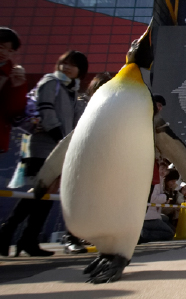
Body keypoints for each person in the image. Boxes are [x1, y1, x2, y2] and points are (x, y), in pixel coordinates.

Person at [0, 50, 89, 257]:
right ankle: (7, 233)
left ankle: (28, 239)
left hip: (59, 149)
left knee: (47, 195)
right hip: (42, 147)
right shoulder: (51, 82)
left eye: (72, 65)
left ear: (80, 71)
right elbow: (46, 110)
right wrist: (59, 136)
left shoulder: (72, 91)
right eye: (64, 63)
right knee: (37, 192)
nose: (67, 67)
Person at [62, 72, 112, 254]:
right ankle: (70, 237)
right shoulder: (82, 104)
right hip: (78, 156)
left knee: (93, 199)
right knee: (76, 197)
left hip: (99, 159)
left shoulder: (112, 110)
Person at [0, 28, 27, 155]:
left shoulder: (12, 74)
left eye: (10, 50)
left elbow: (14, 112)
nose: (4, 53)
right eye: (1, 47)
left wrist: (18, 87)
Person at [139, 161, 175, 243]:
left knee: (167, 221)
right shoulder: (156, 181)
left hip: (153, 214)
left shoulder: (160, 180)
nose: (163, 172)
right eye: (161, 169)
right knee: (169, 233)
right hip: (149, 217)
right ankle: (143, 234)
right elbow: (152, 198)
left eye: (165, 170)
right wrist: (165, 196)